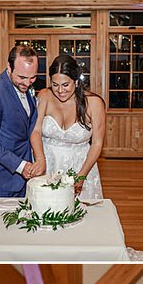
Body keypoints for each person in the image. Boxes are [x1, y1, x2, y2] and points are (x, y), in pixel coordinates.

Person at [0, 44, 43, 204]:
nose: (27, 83)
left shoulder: (26, 88)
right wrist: (20, 166)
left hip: (22, 178)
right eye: (22, 77)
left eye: (32, 77)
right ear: (9, 67)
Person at [30, 54, 105, 201]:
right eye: (55, 84)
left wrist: (82, 175)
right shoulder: (45, 95)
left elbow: (97, 143)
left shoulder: (94, 103)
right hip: (48, 164)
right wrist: (40, 159)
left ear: (76, 82)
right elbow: (36, 130)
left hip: (80, 166)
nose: (60, 90)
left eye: (65, 85)